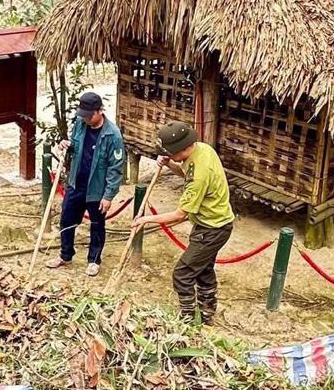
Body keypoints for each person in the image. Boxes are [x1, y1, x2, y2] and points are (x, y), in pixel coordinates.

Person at [131, 120, 234, 325]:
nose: (169, 155)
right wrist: (170, 163)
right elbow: (187, 173)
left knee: (183, 273)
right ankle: (207, 313)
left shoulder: (199, 177)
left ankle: (187, 319)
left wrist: (146, 219)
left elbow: (180, 215)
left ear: (183, 147)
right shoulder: (202, 150)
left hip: (212, 228)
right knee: (203, 269)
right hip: (213, 223)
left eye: (171, 152)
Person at [46, 92, 125, 277]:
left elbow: (116, 168)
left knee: (97, 225)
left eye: (89, 115)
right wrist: (67, 145)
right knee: (66, 219)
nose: (86, 119)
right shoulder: (80, 123)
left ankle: (94, 260)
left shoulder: (113, 135)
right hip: (76, 183)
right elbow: (75, 145)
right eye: (84, 115)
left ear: (99, 111)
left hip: (97, 189)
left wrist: (108, 196)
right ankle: (65, 255)